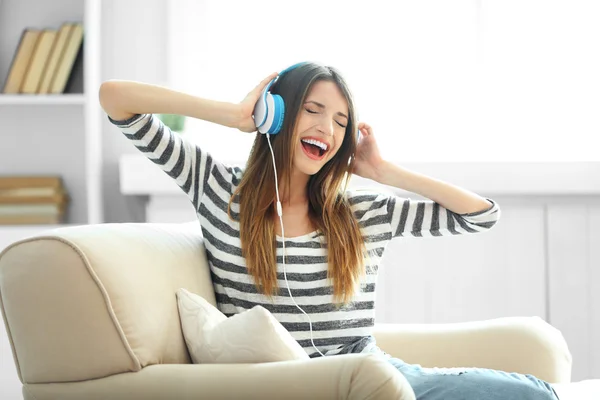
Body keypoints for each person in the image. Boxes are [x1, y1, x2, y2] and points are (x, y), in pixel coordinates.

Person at [99, 62, 559, 399]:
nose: (328, 128)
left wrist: (384, 172)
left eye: (340, 121)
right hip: (286, 387)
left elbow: (480, 215)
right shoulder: (220, 190)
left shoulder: (359, 213)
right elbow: (115, 99)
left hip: (373, 380)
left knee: (534, 395)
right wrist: (233, 115)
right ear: (276, 116)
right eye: (313, 111)